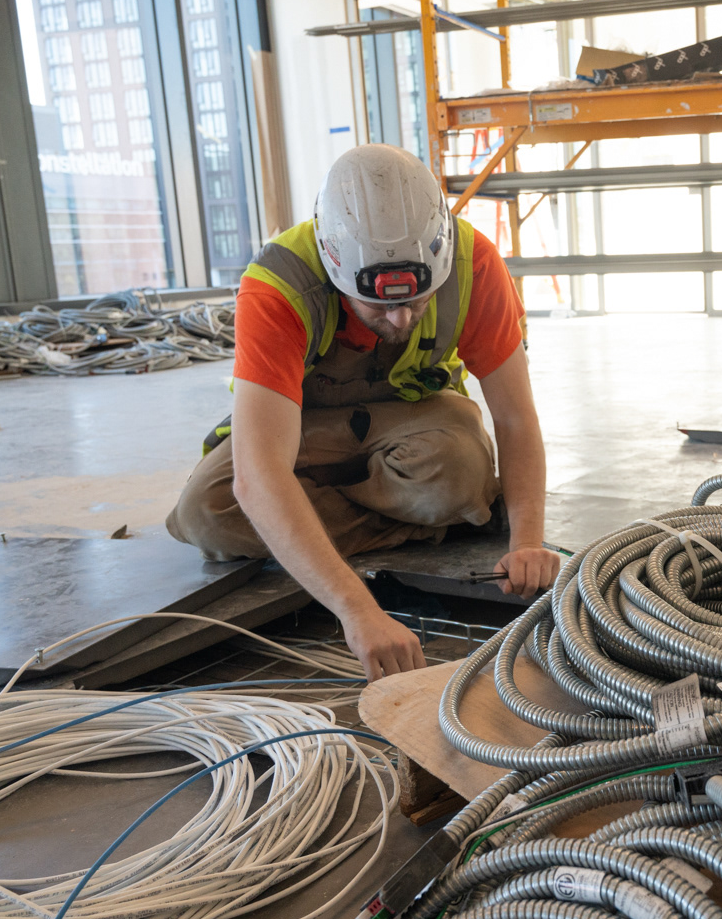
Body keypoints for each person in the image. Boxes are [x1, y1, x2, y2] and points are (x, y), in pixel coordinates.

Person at [166, 144, 560, 680]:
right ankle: (421, 518)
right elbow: (260, 474)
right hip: (305, 429)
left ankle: (307, 528)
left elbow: (514, 418)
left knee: (461, 471)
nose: (401, 320)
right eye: (379, 304)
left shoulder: (475, 264)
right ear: (334, 264)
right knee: (208, 514)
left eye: (417, 300)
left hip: (418, 419)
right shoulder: (277, 286)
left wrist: (527, 543)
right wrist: (356, 608)